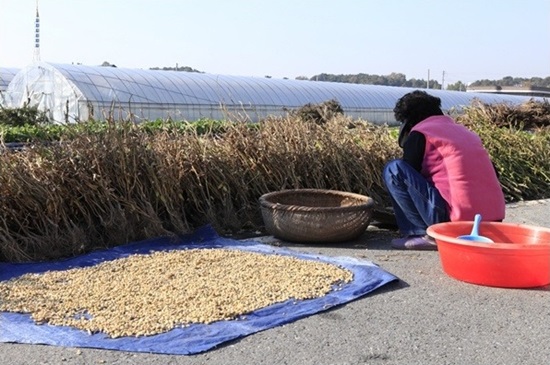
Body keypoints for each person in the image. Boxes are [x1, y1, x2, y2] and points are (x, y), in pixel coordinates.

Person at [383, 90, 505, 250]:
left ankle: (419, 233)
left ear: (408, 120)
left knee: (394, 169)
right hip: (492, 223)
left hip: (455, 220)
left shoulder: (421, 133)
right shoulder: (466, 133)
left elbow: (408, 179)